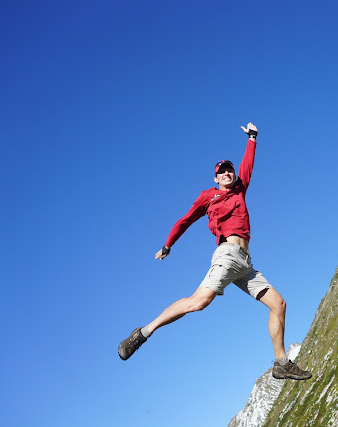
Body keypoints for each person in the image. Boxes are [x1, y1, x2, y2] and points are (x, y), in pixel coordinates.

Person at [118, 122, 311, 380]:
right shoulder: (208, 196)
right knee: (198, 303)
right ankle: (143, 332)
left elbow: (248, 163)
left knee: (278, 304)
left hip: (245, 264)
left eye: (229, 170)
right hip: (227, 255)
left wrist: (252, 137)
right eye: (222, 172)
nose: (227, 174)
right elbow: (185, 220)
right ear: (215, 178)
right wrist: (168, 245)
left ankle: (281, 363)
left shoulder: (240, 188)